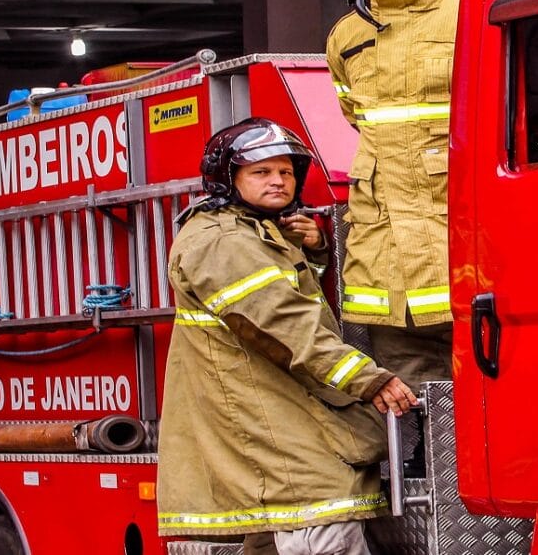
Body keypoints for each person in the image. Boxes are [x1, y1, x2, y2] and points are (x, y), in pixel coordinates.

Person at [157, 118, 417, 555]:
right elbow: (284, 324)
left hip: (276, 412)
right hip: (267, 418)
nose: (278, 181)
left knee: (279, 525)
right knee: (321, 506)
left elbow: (294, 298)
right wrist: (369, 380)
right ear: (228, 178)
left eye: (286, 172)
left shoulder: (252, 232)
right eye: (261, 172)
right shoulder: (223, 241)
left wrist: (312, 251)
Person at [326, 0, 460, 406]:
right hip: (388, 263)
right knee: (408, 400)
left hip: (457, 246)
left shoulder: (466, 11)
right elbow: (355, 115)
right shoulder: (347, 35)